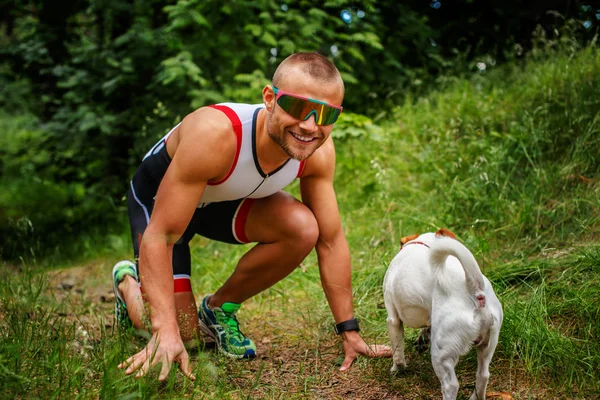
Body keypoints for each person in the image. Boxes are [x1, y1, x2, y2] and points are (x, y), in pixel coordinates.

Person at [113, 51, 391, 381]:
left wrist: (350, 332)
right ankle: (129, 281)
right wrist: (164, 330)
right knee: (181, 334)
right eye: (298, 107)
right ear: (270, 98)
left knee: (304, 228)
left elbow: (331, 241)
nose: (309, 125)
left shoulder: (318, 151)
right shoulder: (215, 133)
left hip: (220, 200)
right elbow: (161, 236)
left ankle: (217, 309)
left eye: (326, 114)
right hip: (161, 205)